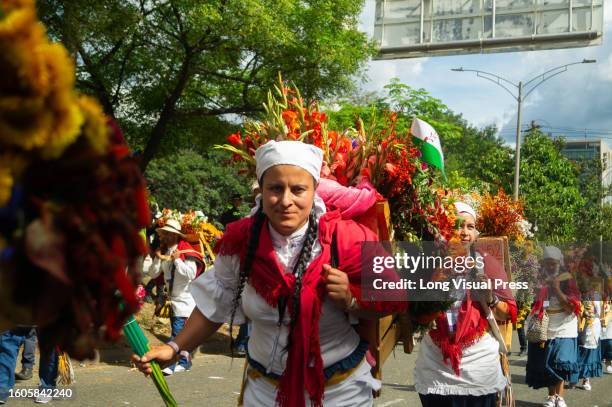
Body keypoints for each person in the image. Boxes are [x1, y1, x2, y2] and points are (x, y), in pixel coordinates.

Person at [133, 140, 406, 406]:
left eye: (298, 189)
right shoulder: (240, 241)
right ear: (261, 191)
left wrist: (350, 297)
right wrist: (174, 347)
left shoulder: (350, 238)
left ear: (314, 192)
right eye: (275, 188)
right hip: (264, 390)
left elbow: (395, 296)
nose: (285, 201)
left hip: (339, 391)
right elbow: (216, 303)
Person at [413, 202, 516, 407]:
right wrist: (439, 277)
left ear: (477, 234)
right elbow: (419, 316)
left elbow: (509, 313)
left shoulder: (487, 264)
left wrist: (490, 298)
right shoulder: (429, 265)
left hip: (477, 365)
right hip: (435, 364)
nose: (465, 233)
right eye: (459, 225)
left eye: (470, 227)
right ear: (446, 229)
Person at [147, 219, 204, 375]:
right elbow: (153, 273)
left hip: (185, 302)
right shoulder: (164, 252)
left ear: (174, 235)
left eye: (166, 233)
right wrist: (158, 258)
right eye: (163, 233)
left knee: (177, 334)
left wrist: (178, 259)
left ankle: (170, 365)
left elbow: (190, 274)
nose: (163, 236)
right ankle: (185, 362)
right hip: (172, 301)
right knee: (179, 333)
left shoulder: (186, 252)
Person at [525, 246, 581, 407]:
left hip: (565, 326)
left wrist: (555, 287)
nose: (550, 267)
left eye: (553, 263)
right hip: (545, 324)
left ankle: (560, 396)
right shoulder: (539, 278)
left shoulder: (568, 278)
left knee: (561, 361)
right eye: (547, 263)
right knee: (547, 363)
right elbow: (533, 300)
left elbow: (572, 307)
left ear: (559, 263)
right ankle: (551, 396)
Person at [573, 291, 602, 391]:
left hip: (591, 326)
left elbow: (598, 313)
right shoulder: (574, 289)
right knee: (574, 352)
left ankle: (586, 379)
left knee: (587, 353)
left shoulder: (596, 294)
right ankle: (573, 377)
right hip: (574, 325)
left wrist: (592, 303)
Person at [601, 298, 612, 374]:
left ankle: (608, 362)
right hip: (599, 330)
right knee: (601, 348)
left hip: (610, 329)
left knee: (610, 345)